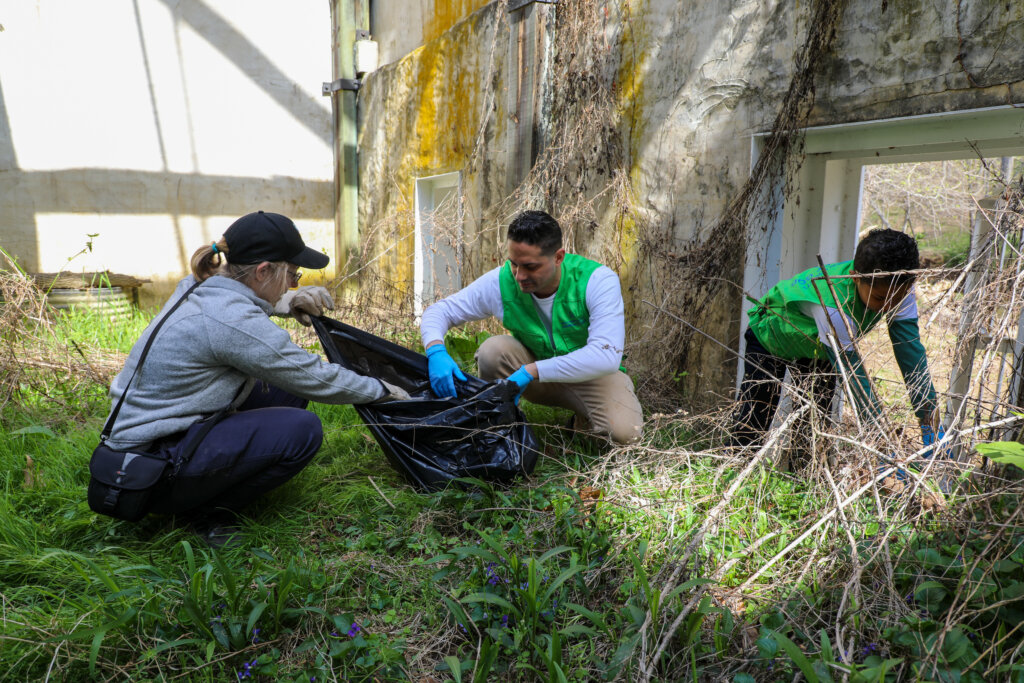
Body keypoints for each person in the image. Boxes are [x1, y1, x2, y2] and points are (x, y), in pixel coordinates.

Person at [104, 210, 407, 544]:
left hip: (144, 442)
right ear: (263, 271)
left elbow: (241, 301)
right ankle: (206, 513)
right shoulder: (229, 320)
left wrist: (291, 301)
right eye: (293, 275)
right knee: (302, 430)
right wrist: (382, 390)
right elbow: (312, 376)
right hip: (147, 471)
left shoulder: (199, 285)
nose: (294, 283)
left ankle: (204, 484)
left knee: (284, 394)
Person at [420, 210, 643, 445]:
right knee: (492, 351)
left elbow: (606, 356)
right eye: (514, 264)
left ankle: (581, 424)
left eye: (530, 266)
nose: (519, 275)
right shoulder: (502, 281)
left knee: (625, 435)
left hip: (590, 376)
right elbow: (439, 311)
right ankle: (498, 428)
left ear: (558, 257)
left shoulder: (597, 281)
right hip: (537, 378)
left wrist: (532, 371)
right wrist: (436, 350)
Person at [731, 228, 940, 459]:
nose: (889, 306)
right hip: (772, 337)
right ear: (854, 277)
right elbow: (855, 379)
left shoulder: (898, 286)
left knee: (813, 424)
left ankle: (803, 485)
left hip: (818, 349)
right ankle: (735, 469)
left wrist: (928, 415)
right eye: (880, 298)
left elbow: (910, 352)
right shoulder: (834, 306)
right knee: (756, 414)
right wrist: (880, 439)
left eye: (897, 298)